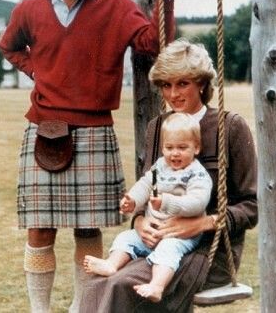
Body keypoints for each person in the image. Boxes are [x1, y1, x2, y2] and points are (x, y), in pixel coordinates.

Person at [0, 0, 175, 312]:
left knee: (87, 229)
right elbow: (8, 46)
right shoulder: (29, 9)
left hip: (95, 127)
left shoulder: (114, 4)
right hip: (44, 127)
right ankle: (39, 310)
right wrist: (36, 73)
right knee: (40, 228)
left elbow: (153, 43)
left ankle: (83, 308)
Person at [79, 38, 258, 313]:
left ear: (201, 83)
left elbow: (252, 206)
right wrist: (139, 222)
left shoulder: (230, 127)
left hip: (207, 251)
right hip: (157, 245)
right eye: (166, 85)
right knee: (96, 283)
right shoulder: (158, 127)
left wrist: (201, 224)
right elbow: (149, 190)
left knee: (121, 286)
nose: (173, 94)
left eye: (182, 83)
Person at [83, 112, 212, 303]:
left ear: (196, 148)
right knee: (126, 237)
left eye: (182, 148)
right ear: (162, 148)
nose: (175, 153)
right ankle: (112, 264)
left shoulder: (197, 174)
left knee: (168, 250)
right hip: (152, 231)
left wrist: (167, 202)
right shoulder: (160, 167)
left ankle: (157, 286)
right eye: (169, 148)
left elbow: (197, 202)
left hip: (181, 235)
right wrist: (133, 200)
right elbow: (144, 185)